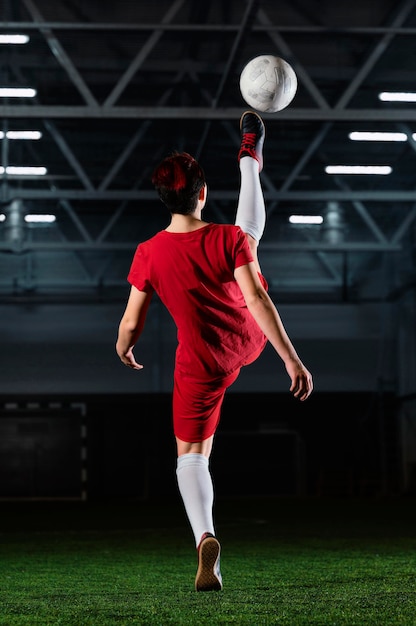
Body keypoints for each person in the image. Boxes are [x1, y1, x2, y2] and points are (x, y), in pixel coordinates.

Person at [115, 110, 313, 592]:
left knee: (191, 457)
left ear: (163, 199)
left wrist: (125, 347)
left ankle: (205, 536)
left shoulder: (148, 252)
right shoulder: (227, 239)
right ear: (202, 194)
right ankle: (250, 160)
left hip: (201, 362)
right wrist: (290, 356)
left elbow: (131, 321)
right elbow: (257, 299)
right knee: (249, 239)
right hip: (247, 336)